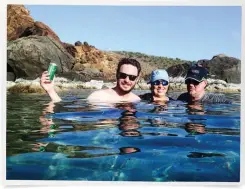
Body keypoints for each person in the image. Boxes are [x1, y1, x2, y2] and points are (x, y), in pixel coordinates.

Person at [40, 58, 141, 103]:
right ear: (117, 75)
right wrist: (50, 91)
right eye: (123, 75)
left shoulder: (137, 100)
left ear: (136, 79)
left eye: (132, 77)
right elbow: (69, 113)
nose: (127, 80)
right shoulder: (99, 96)